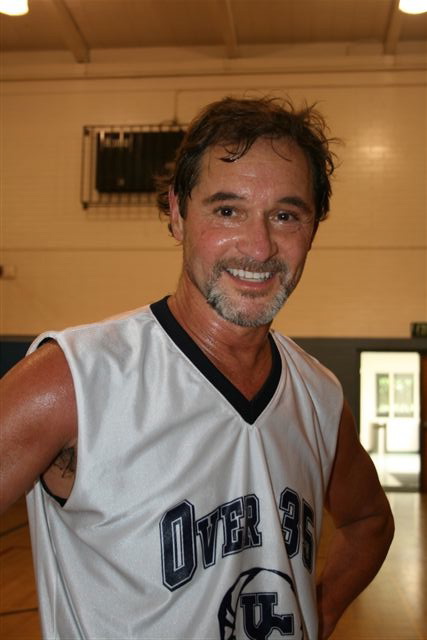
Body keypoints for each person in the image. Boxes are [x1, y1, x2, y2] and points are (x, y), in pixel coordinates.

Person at [1, 96, 394, 640]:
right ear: (177, 213)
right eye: (227, 210)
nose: (259, 246)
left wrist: (318, 614)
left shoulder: (319, 396)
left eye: (285, 215)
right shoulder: (71, 379)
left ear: (312, 229)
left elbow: (370, 521)